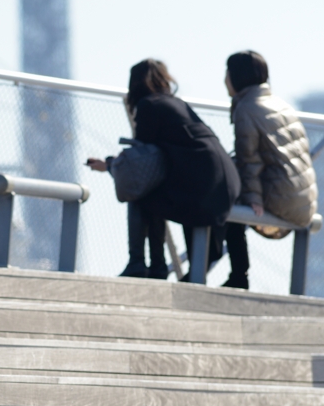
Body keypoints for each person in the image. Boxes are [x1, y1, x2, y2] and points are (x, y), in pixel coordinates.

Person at [88, 59, 241, 280]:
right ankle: (156, 266)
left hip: (204, 185)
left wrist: (111, 165)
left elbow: (140, 166)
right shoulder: (175, 103)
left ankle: (140, 263)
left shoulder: (148, 105)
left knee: (139, 193)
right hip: (223, 180)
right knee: (152, 196)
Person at [223, 50, 318, 289]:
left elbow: (249, 161)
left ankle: (238, 275)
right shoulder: (281, 105)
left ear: (236, 76)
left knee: (221, 196)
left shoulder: (247, 108)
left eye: (227, 73)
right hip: (303, 200)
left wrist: (253, 198)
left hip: (280, 198)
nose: (224, 79)